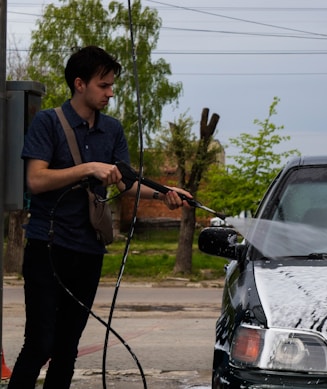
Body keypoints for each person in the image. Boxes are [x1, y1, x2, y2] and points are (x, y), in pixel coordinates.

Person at [8, 45, 191, 389]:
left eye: (111, 86)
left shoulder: (112, 130)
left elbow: (128, 182)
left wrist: (165, 194)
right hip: (47, 248)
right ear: (80, 84)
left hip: (88, 250)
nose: (110, 92)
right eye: (103, 85)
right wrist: (88, 168)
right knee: (39, 343)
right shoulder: (49, 122)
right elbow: (36, 179)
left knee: (67, 349)